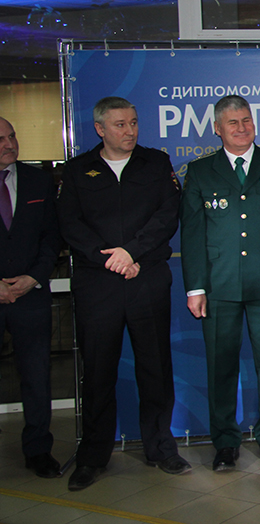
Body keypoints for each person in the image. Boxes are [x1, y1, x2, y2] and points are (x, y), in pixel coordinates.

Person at [57, 97, 189, 491]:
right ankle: (93, 456)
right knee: (98, 371)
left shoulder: (156, 163)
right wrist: (112, 260)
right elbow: (70, 224)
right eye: (119, 125)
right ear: (100, 129)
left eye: (133, 122)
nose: (129, 131)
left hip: (146, 277)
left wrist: (132, 253)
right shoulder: (77, 169)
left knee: (155, 367)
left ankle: (160, 447)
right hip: (98, 285)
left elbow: (168, 214)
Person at [180, 95, 260, 471]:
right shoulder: (200, 171)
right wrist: (195, 288)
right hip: (219, 287)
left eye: (247, 120)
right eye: (232, 122)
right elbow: (192, 235)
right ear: (217, 128)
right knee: (221, 367)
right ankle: (225, 442)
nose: (241, 128)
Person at [0, 117, 62, 479]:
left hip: (31, 295)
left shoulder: (38, 180)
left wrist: (34, 276)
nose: (9, 144)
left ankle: (38, 449)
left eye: (12, 136)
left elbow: (52, 236)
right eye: (1, 139)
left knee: (36, 376)